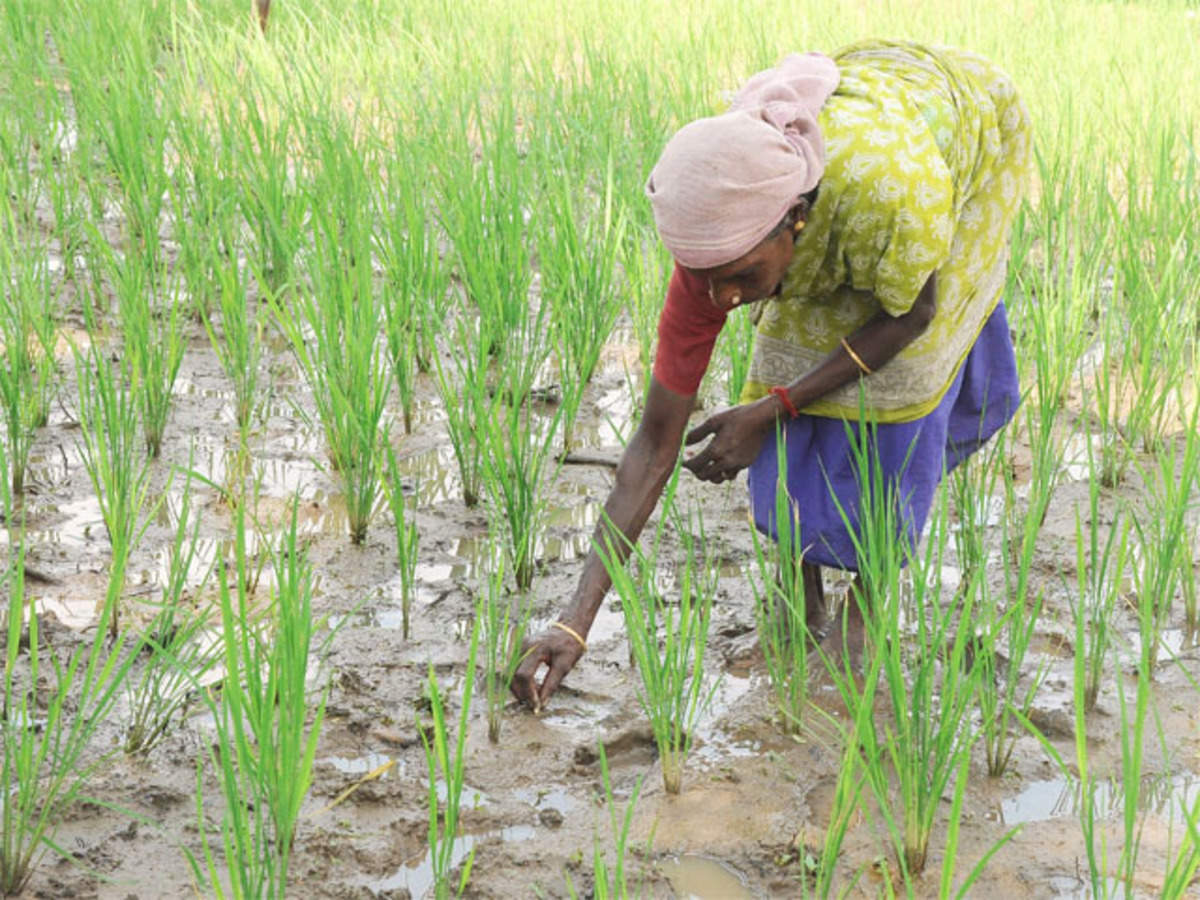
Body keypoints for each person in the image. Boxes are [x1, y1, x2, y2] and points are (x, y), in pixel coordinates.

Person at [512, 39, 1032, 710]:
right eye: (708, 281)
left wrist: (770, 409)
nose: (724, 299)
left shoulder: (894, 195)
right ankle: (800, 596)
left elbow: (910, 318)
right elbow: (652, 446)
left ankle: (867, 603)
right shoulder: (716, 248)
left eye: (741, 278)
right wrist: (572, 621)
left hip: (959, 128)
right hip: (841, 180)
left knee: (900, 395)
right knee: (784, 356)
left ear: (796, 217)